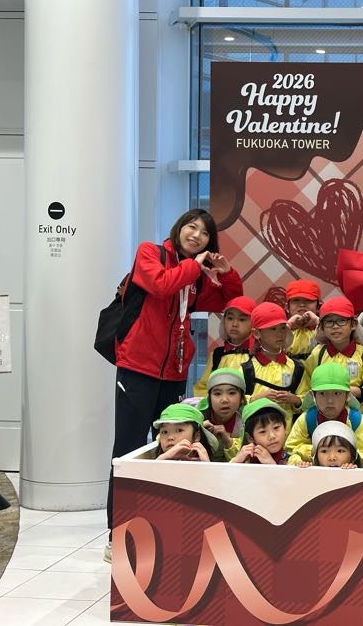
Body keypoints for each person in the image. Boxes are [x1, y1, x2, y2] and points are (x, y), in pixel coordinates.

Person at [105, 208, 243, 562]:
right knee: (129, 449)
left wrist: (226, 274)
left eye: (205, 233)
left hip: (174, 372)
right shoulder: (150, 253)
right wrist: (195, 267)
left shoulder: (193, 276)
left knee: (173, 447)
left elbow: (226, 301)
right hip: (137, 367)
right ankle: (117, 533)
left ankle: (158, 525)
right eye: (191, 227)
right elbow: (160, 284)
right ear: (179, 228)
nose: (196, 235)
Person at [305, 296, 363, 426]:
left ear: (353, 324)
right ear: (321, 326)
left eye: (341, 320)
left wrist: (357, 391)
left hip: (359, 419)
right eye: (329, 322)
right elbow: (307, 385)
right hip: (324, 419)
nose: (335, 326)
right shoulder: (318, 354)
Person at [286, 362, 363, 467]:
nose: (330, 401)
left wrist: (351, 460)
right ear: (313, 395)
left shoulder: (356, 420)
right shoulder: (307, 419)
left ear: (347, 395)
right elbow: (291, 449)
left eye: (337, 393)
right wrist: (309, 454)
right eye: (322, 393)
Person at [246, 302, 309, 424]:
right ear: (256, 333)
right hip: (255, 430)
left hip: (288, 432)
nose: (280, 334)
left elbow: (307, 401)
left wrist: (296, 400)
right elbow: (236, 401)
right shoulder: (247, 368)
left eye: (283, 328)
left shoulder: (296, 367)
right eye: (273, 329)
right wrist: (256, 399)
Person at [192, 296, 256, 396]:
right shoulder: (217, 354)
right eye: (230, 318)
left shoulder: (259, 355)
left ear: (254, 323)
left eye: (242, 319)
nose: (234, 324)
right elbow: (202, 388)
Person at [198, 367, 246, 461]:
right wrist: (197, 431)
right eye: (217, 394)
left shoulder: (246, 422)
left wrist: (228, 442)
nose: (224, 400)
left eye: (231, 393)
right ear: (209, 398)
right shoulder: (197, 418)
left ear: (242, 399)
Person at [230, 398, 290, 464]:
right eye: (262, 431)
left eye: (276, 427)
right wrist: (236, 461)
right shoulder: (245, 458)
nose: (272, 436)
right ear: (250, 438)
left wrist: (271, 464)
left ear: (285, 428)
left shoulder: (292, 460)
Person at [152, 404, 218, 462]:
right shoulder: (160, 459)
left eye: (179, 430)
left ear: (196, 436)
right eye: (164, 432)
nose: (170, 437)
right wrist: (162, 458)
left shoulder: (202, 459)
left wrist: (206, 464)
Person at [285, 279, 321, 360]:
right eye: (296, 300)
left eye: (308, 300)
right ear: (287, 307)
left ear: (318, 307)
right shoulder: (278, 328)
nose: (302, 304)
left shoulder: (325, 327)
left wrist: (319, 323)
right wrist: (287, 326)